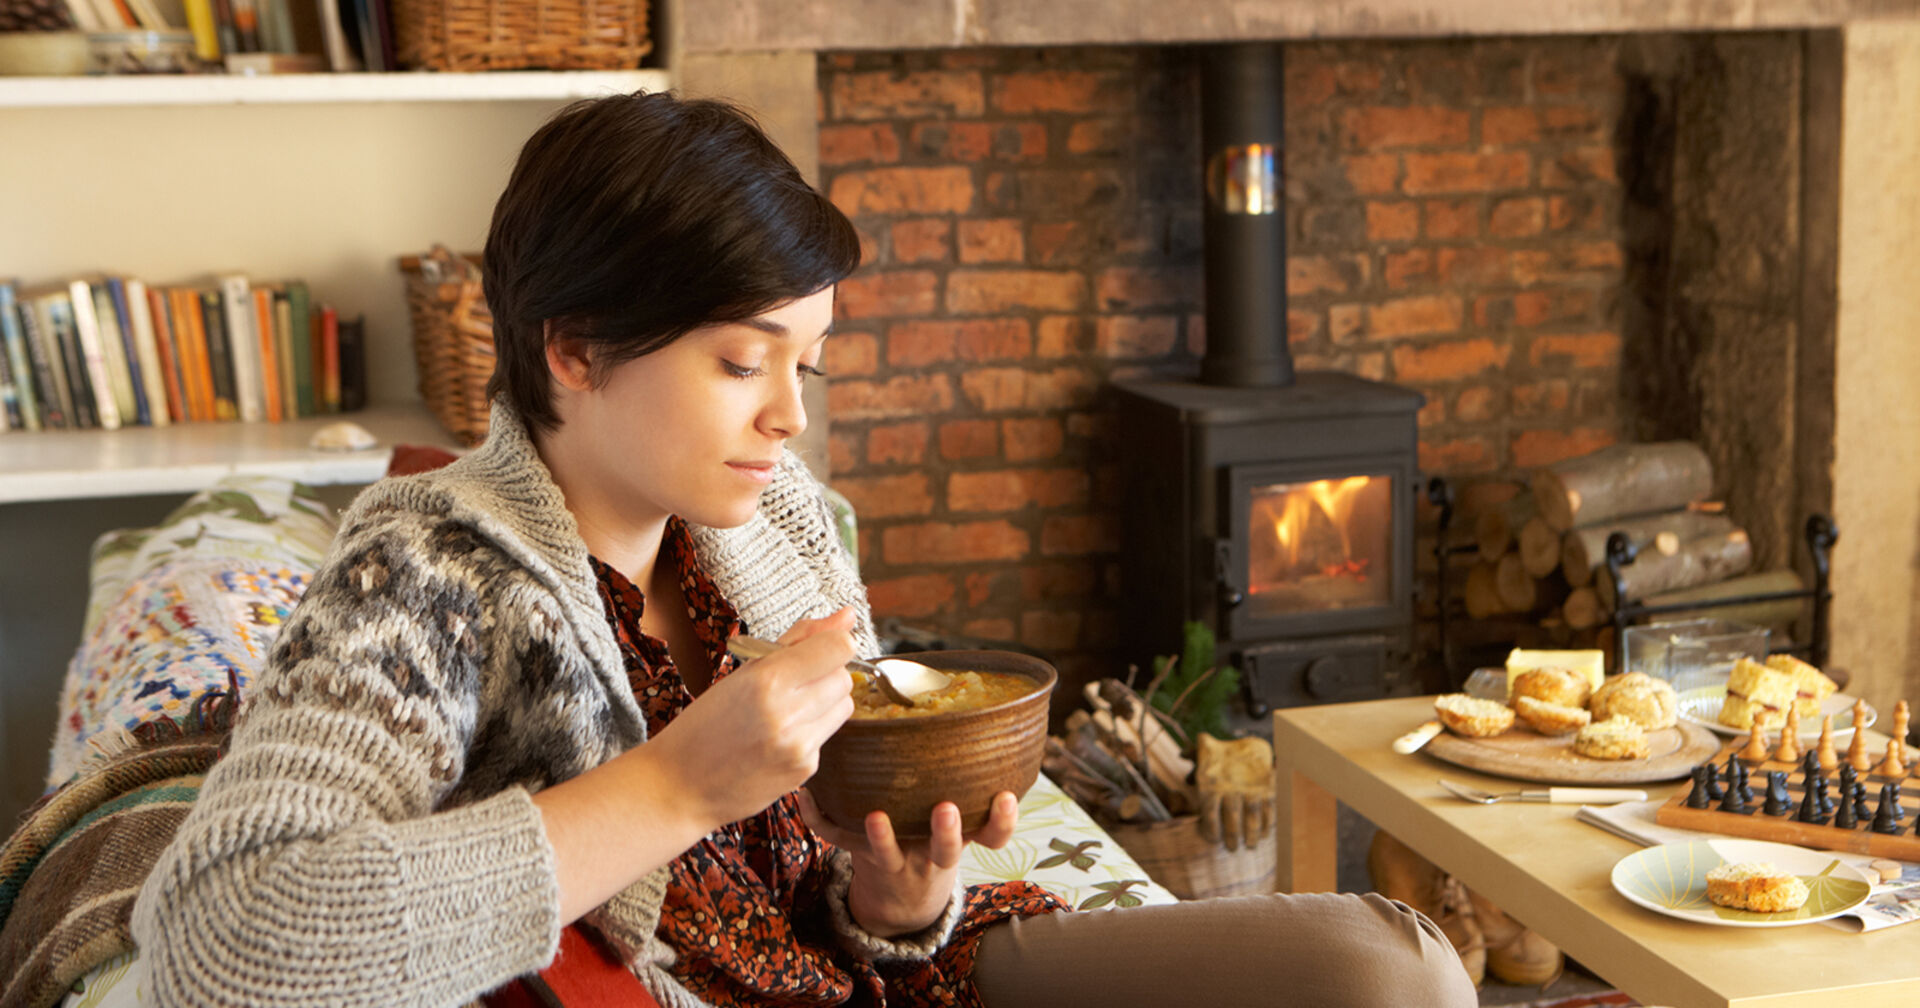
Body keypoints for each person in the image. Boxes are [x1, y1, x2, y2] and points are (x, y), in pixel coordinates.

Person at [132, 90, 1476, 1008]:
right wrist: (671, 790)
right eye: (741, 362)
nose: (789, 415)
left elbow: (833, 866)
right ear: (575, 349)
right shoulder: (420, 578)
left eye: (809, 364)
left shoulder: (771, 523)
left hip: (879, 978)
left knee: (1394, 969)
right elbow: (220, 940)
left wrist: (894, 898)